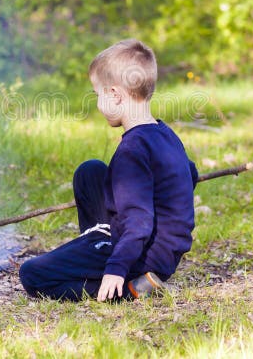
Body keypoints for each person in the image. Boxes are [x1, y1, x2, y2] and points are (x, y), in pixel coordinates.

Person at [19, 39, 198, 301]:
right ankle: (97, 244)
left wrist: (116, 268)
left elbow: (138, 220)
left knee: (32, 274)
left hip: (142, 256)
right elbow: (190, 173)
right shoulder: (165, 133)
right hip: (164, 250)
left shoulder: (132, 150)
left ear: (115, 95)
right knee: (90, 172)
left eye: (97, 95)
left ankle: (129, 289)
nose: (98, 103)